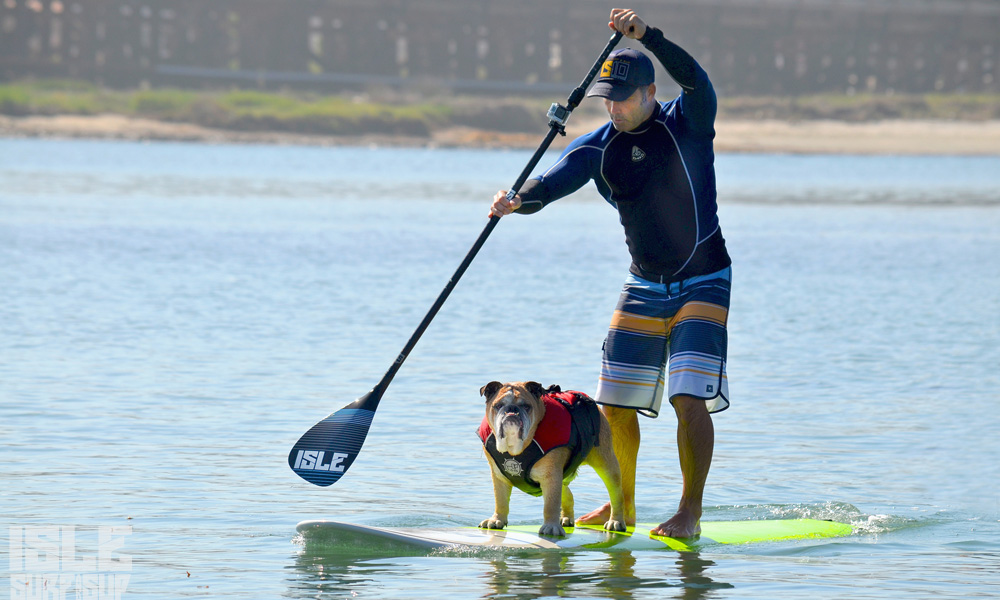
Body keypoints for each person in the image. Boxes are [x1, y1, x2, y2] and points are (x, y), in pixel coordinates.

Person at [489, 8, 732, 538]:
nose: (615, 109)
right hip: (644, 283)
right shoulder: (600, 146)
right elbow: (551, 184)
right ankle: (625, 506)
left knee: (688, 398)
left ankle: (689, 512)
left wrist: (650, 37)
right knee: (614, 408)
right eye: (608, 100)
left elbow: (697, 78)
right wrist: (516, 201)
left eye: (623, 98)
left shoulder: (689, 121)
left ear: (649, 92)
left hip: (705, 277)